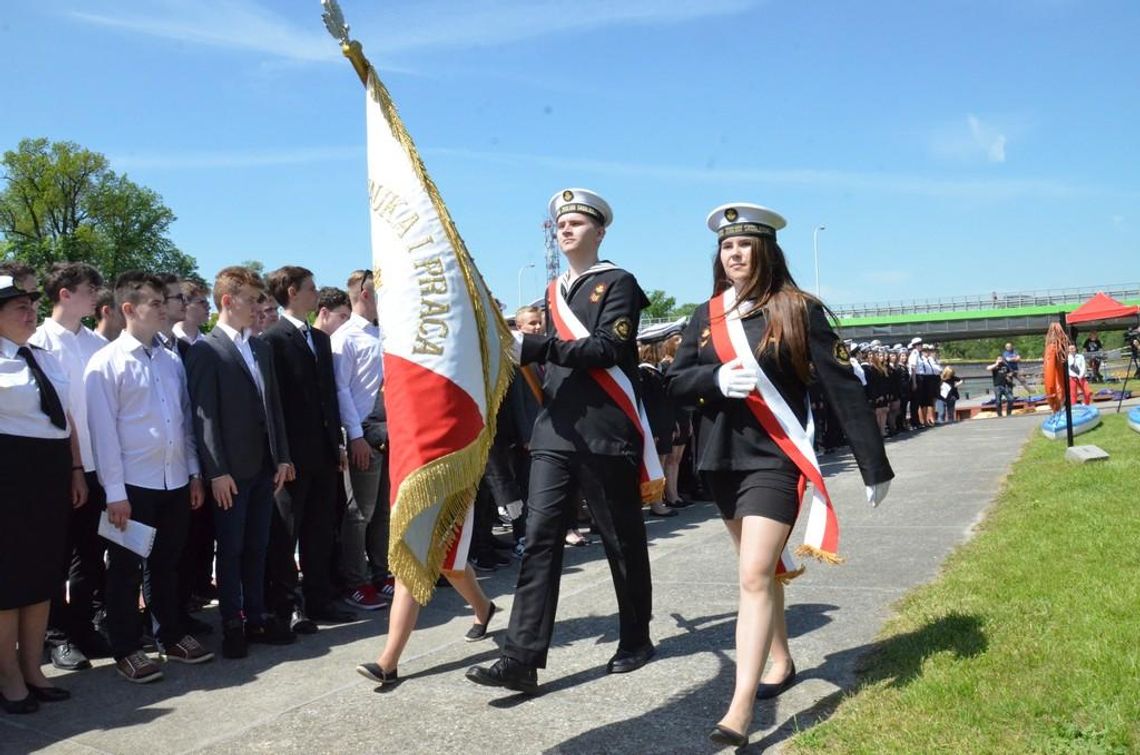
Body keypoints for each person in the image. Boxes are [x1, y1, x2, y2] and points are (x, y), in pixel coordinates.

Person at [666, 203, 893, 747]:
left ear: (766, 251)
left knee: (751, 576)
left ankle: (739, 707)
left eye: (745, 245)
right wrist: (715, 378)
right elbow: (674, 383)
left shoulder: (798, 308)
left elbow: (842, 385)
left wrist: (873, 463)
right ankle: (782, 659)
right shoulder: (707, 314)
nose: (734, 254)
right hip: (720, 459)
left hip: (774, 458)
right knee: (761, 574)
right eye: (726, 246)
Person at [467, 188, 656, 694]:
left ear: (600, 231)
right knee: (539, 540)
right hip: (554, 431)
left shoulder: (619, 282)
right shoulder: (553, 291)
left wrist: (538, 345)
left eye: (577, 222)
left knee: (620, 539)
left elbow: (609, 348)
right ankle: (521, 657)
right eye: (561, 223)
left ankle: (636, 635)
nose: (566, 229)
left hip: (603, 429)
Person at [85, 272, 215, 683]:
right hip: (133, 486)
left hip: (174, 480)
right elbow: (103, 434)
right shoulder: (105, 363)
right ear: (128, 310)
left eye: (165, 302)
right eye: (156, 304)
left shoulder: (170, 357)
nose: (165, 309)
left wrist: (194, 472)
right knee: (124, 569)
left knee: (168, 564)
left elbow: (183, 421)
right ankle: (126, 647)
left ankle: (170, 634)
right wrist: (115, 493)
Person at [184, 266, 296, 658]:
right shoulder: (206, 350)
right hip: (230, 472)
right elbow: (204, 417)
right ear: (228, 301)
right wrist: (216, 471)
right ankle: (233, 620)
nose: (258, 306)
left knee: (257, 546)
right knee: (230, 549)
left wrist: (282, 456)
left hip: (264, 468)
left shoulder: (260, 347)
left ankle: (257, 615)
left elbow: (274, 407)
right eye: (251, 299)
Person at [0, 274, 87, 713]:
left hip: (49, 473)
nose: (30, 311)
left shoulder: (44, 356)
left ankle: (33, 668)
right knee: (7, 581)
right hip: (8, 476)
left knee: (42, 576)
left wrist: (75, 469)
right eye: (18, 306)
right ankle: (8, 675)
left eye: (31, 303)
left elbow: (65, 416)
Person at [261, 266, 355, 631]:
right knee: (287, 532)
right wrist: (281, 455)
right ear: (291, 291)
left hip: (323, 452)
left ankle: (320, 598)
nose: (317, 294)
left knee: (321, 529)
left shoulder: (320, 339)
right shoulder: (273, 339)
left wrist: (338, 444)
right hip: (293, 458)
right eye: (311, 288)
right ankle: (286, 603)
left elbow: (328, 396)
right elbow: (276, 404)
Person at [29, 262, 109, 672]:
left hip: (99, 466)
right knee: (56, 558)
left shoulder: (97, 345)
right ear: (64, 293)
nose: (96, 295)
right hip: (61, 467)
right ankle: (56, 635)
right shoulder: (39, 343)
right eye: (89, 288)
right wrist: (73, 468)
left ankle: (83, 627)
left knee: (90, 556)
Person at [332, 270, 389, 610]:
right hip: (362, 434)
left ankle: (382, 573)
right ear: (365, 293)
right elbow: (340, 390)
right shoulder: (345, 338)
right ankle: (356, 580)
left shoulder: (384, 333)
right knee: (360, 512)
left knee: (383, 510)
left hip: (389, 430)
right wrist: (355, 436)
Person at [987, 352, 1015, 417]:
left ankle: (1008, 413)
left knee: (1011, 399)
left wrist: (1009, 375)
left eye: (1001, 359)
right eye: (999, 359)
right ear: (996, 360)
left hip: (1005, 385)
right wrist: (996, 363)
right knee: (998, 401)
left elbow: (1011, 372)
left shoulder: (1005, 365)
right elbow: (988, 368)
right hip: (997, 386)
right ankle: (1000, 415)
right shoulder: (995, 366)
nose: (1000, 360)